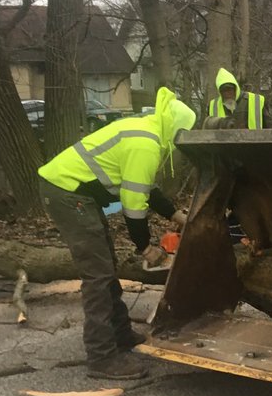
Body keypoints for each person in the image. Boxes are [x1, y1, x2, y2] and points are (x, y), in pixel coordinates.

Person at [38, 87, 196, 380]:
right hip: (66, 191)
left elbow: (146, 188)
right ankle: (101, 357)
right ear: (177, 130)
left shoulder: (147, 131)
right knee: (97, 274)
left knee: (105, 264)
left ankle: (120, 333)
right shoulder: (146, 144)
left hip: (75, 193)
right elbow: (134, 206)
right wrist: (144, 247)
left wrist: (175, 215)